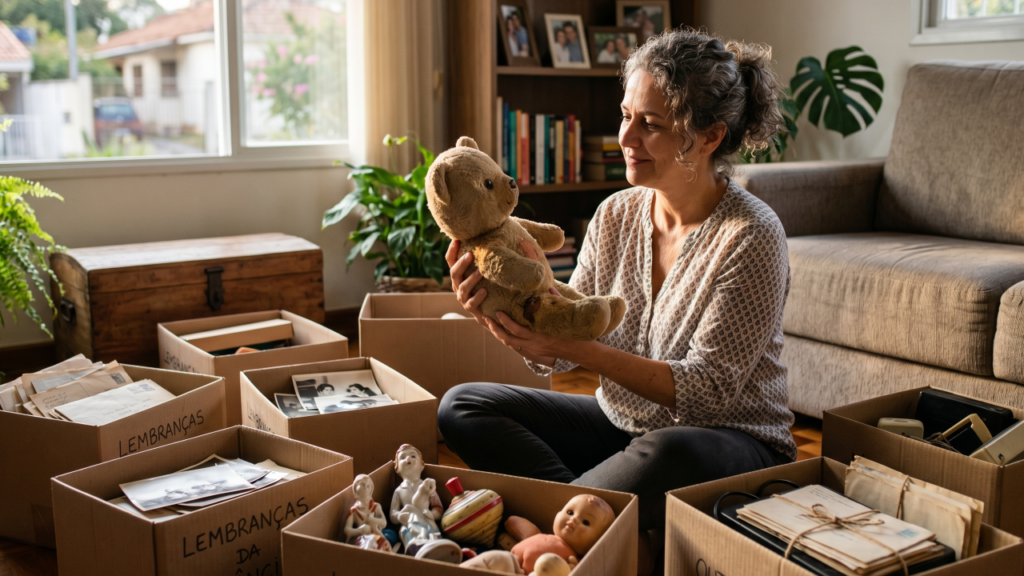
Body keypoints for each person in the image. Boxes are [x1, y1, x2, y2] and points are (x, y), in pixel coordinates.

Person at [438, 28, 795, 576]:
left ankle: (564, 529)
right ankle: (603, 528)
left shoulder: (751, 235)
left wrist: (578, 350)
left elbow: (708, 395)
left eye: (649, 124)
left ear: (708, 137)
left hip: (730, 442)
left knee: (673, 451)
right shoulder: (615, 215)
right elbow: (560, 338)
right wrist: (502, 310)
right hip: (623, 424)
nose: (624, 137)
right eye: (626, 114)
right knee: (462, 405)